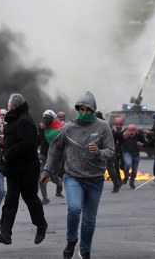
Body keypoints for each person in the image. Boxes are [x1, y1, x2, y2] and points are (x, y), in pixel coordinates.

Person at [41, 91, 114, 259]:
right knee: (74, 208)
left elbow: (111, 151)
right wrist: (47, 170)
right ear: (77, 109)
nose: (85, 113)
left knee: (89, 220)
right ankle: (71, 241)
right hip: (74, 177)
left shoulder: (103, 127)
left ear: (94, 110)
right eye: (82, 109)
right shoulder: (68, 128)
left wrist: (99, 153)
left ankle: (85, 250)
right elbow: (54, 150)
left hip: (95, 180)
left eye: (88, 110)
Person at [0, 93, 48, 246]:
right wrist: (4, 141)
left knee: (30, 198)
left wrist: (7, 154)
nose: (8, 107)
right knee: (11, 199)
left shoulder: (24, 120)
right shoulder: (14, 120)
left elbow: (26, 143)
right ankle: (6, 233)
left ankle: (41, 225)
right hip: (13, 169)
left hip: (27, 169)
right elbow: (15, 139)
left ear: (13, 106)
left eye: (9, 105)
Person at [37, 109, 64, 205]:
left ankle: (59, 183)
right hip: (44, 156)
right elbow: (38, 141)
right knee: (42, 176)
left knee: (54, 177)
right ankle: (45, 197)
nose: (46, 120)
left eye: (48, 118)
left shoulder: (58, 130)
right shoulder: (42, 128)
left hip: (56, 158)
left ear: (53, 119)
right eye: (45, 118)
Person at [122, 124, 147, 189]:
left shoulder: (139, 135)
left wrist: (141, 144)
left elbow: (146, 143)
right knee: (127, 165)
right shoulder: (124, 134)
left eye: (133, 130)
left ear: (136, 130)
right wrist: (122, 136)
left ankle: (132, 182)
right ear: (127, 130)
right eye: (130, 130)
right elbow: (117, 140)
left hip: (136, 154)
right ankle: (126, 177)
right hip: (127, 153)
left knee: (134, 170)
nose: (131, 132)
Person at [110, 117, 125, 193]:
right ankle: (118, 181)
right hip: (114, 151)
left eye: (120, 124)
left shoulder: (125, 131)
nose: (118, 126)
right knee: (115, 167)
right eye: (117, 124)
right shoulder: (111, 131)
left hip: (123, 151)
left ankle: (125, 176)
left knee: (123, 165)